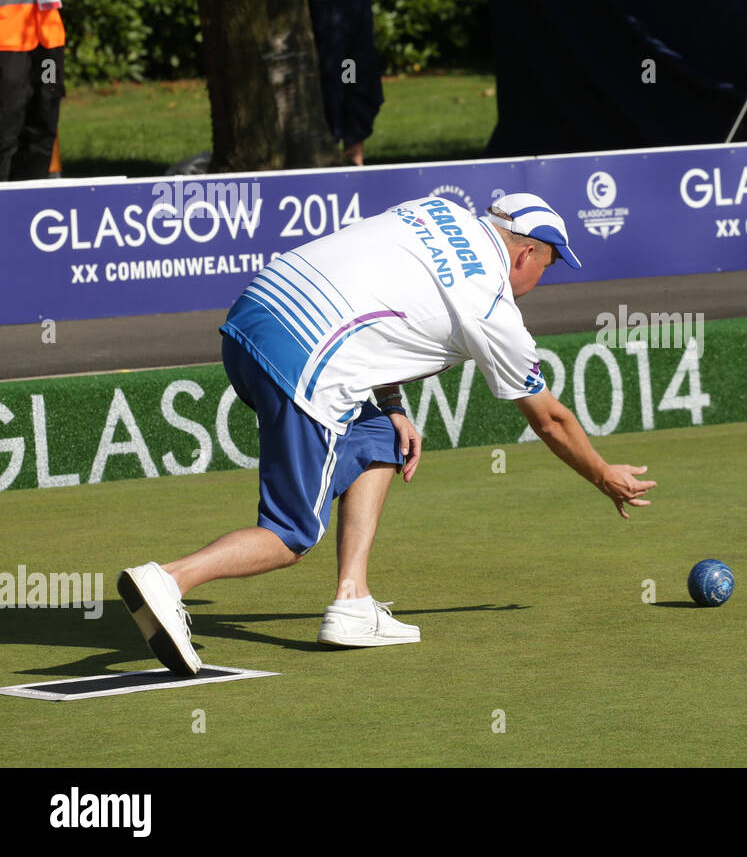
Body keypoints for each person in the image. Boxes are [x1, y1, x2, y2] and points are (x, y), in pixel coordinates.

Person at [118, 193, 658, 675]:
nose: (545, 276)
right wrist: (603, 476)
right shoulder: (493, 309)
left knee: (379, 436)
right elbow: (550, 419)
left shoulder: (438, 210)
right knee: (290, 536)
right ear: (525, 255)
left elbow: (382, 298)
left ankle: (352, 603)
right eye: (549, 263)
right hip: (305, 359)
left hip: (251, 315)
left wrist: (393, 403)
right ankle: (169, 579)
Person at [300, 0, 386, 166]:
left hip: (355, 0)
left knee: (360, 84)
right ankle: (328, 161)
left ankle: (355, 162)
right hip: (319, 2)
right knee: (329, 85)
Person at [0, 0, 64, 182]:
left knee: (43, 121)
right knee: (5, 127)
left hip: (47, 31)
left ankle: (31, 208)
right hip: (6, 36)